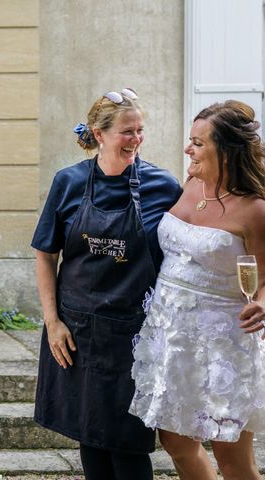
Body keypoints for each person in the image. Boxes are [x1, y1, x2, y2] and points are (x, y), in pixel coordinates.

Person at [31, 88, 182, 480]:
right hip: (76, 332)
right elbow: (46, 254)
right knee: (91, 442)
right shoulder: (68, 183)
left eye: (140, 130)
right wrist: (52, 322)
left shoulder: (163, 187)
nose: (136, 140)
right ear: (99, 134)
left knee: (129, 447)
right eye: (126, 132)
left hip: (134, 337)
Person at [129, 100, 265, 480]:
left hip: (224, 344)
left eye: (198, 142)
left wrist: (262, 303)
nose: (188, 149)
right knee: (177, 445)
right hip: (170, 337)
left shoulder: (254, 209)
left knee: (232, 457)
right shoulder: (190, 185)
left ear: (227, 150)